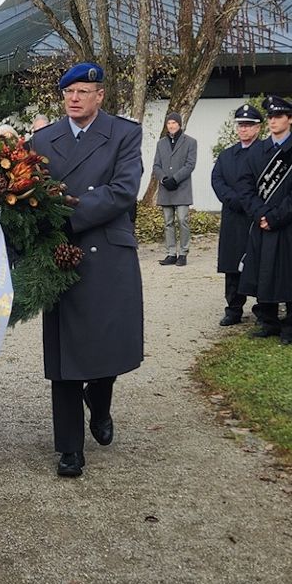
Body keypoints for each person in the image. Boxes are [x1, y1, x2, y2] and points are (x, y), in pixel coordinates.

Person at [29, 62, 145, 478]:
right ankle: (69, 449)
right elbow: (28, 191)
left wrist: (64, 214)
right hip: (59, 255)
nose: (75, 98)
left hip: (106, 252)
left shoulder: (124, 134)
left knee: (104, 345)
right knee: (64, 356)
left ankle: (100, 399)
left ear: (99, 96)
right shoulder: (43, 139)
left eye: (83, 91)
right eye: (69, 92)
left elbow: (122, 191)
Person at [240, 96, 292, 344]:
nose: (273, 121)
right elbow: (245, 185)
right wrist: (260, 214)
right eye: (270, 117)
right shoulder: (258, 150)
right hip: (262, 223)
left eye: (279, 116)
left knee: (291, 275)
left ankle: (290, 325)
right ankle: (269, 322)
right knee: (264, 272)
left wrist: (274, 217)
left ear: (290, 119)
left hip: (290, 225)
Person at [211, 104, 265, 325]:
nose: (244, 129)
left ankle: (264, 311)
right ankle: (234, 309)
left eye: (248, 125)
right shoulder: (227, 155)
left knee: (261, 264)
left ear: (258, 128)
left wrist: (248, 202)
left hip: (256, 217)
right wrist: (234, 200)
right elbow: (217, 181)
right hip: (233, 217)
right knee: (232, 266)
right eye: (241, 125)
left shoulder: (265, 153)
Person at [151, 110, 198, 266]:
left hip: (182, 187)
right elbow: (156, 165)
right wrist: (163, 178)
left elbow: (190, 164)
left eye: (174, 123)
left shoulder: (190, 142)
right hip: (165, 188)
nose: (171, 126)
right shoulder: (161, 143)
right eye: (169, 123)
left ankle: (183, 253)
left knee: (183, 220)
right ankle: (171, 253)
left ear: (179, 124)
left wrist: (175, 178)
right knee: (168, 222)